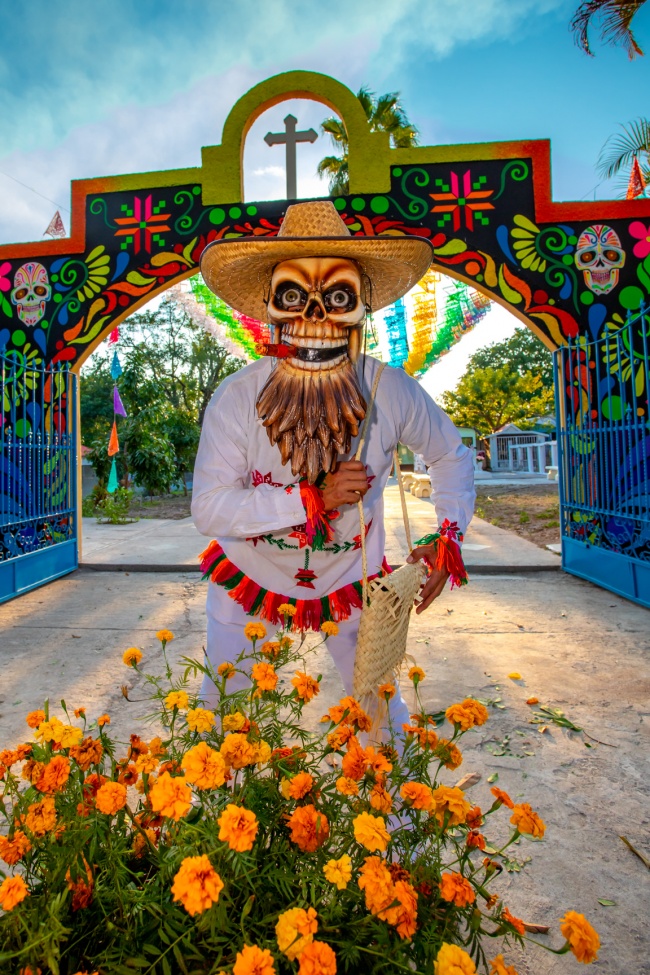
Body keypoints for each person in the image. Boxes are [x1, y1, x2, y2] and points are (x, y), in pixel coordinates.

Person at [191, 201, 475, 730]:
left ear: (361, 306)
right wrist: (310, 500)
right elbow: (209, 508)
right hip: (249, 575)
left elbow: (450, 455)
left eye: (337, 296)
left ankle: (397, 813)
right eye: (294, 297)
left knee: (379, 711)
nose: (314, 317)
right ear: (271, 308)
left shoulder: (391, 391)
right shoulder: (236, 398)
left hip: (352, 574)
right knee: (225, 711)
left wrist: (448, 536)